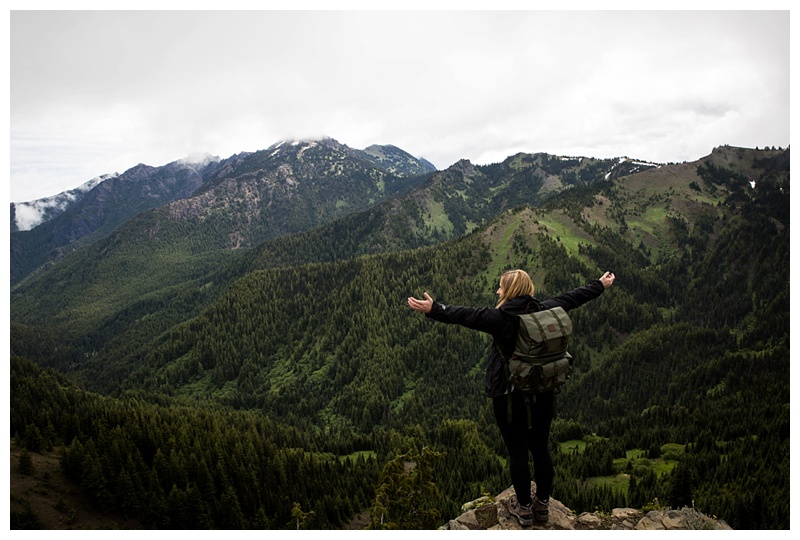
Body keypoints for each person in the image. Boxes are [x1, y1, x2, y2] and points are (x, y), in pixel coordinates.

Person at [407, 269, 615, 526]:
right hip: (543, 391)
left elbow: (463, 315)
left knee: (517, 452)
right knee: (540, 447)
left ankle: (524, 509)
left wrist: (433, 309)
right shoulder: (547, 308)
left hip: (509, 397)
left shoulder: (499, 318)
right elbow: (573, 297)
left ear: (511, 290)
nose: (497, 292)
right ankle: (542, 506)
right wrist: (600, 285)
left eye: (501, 288)